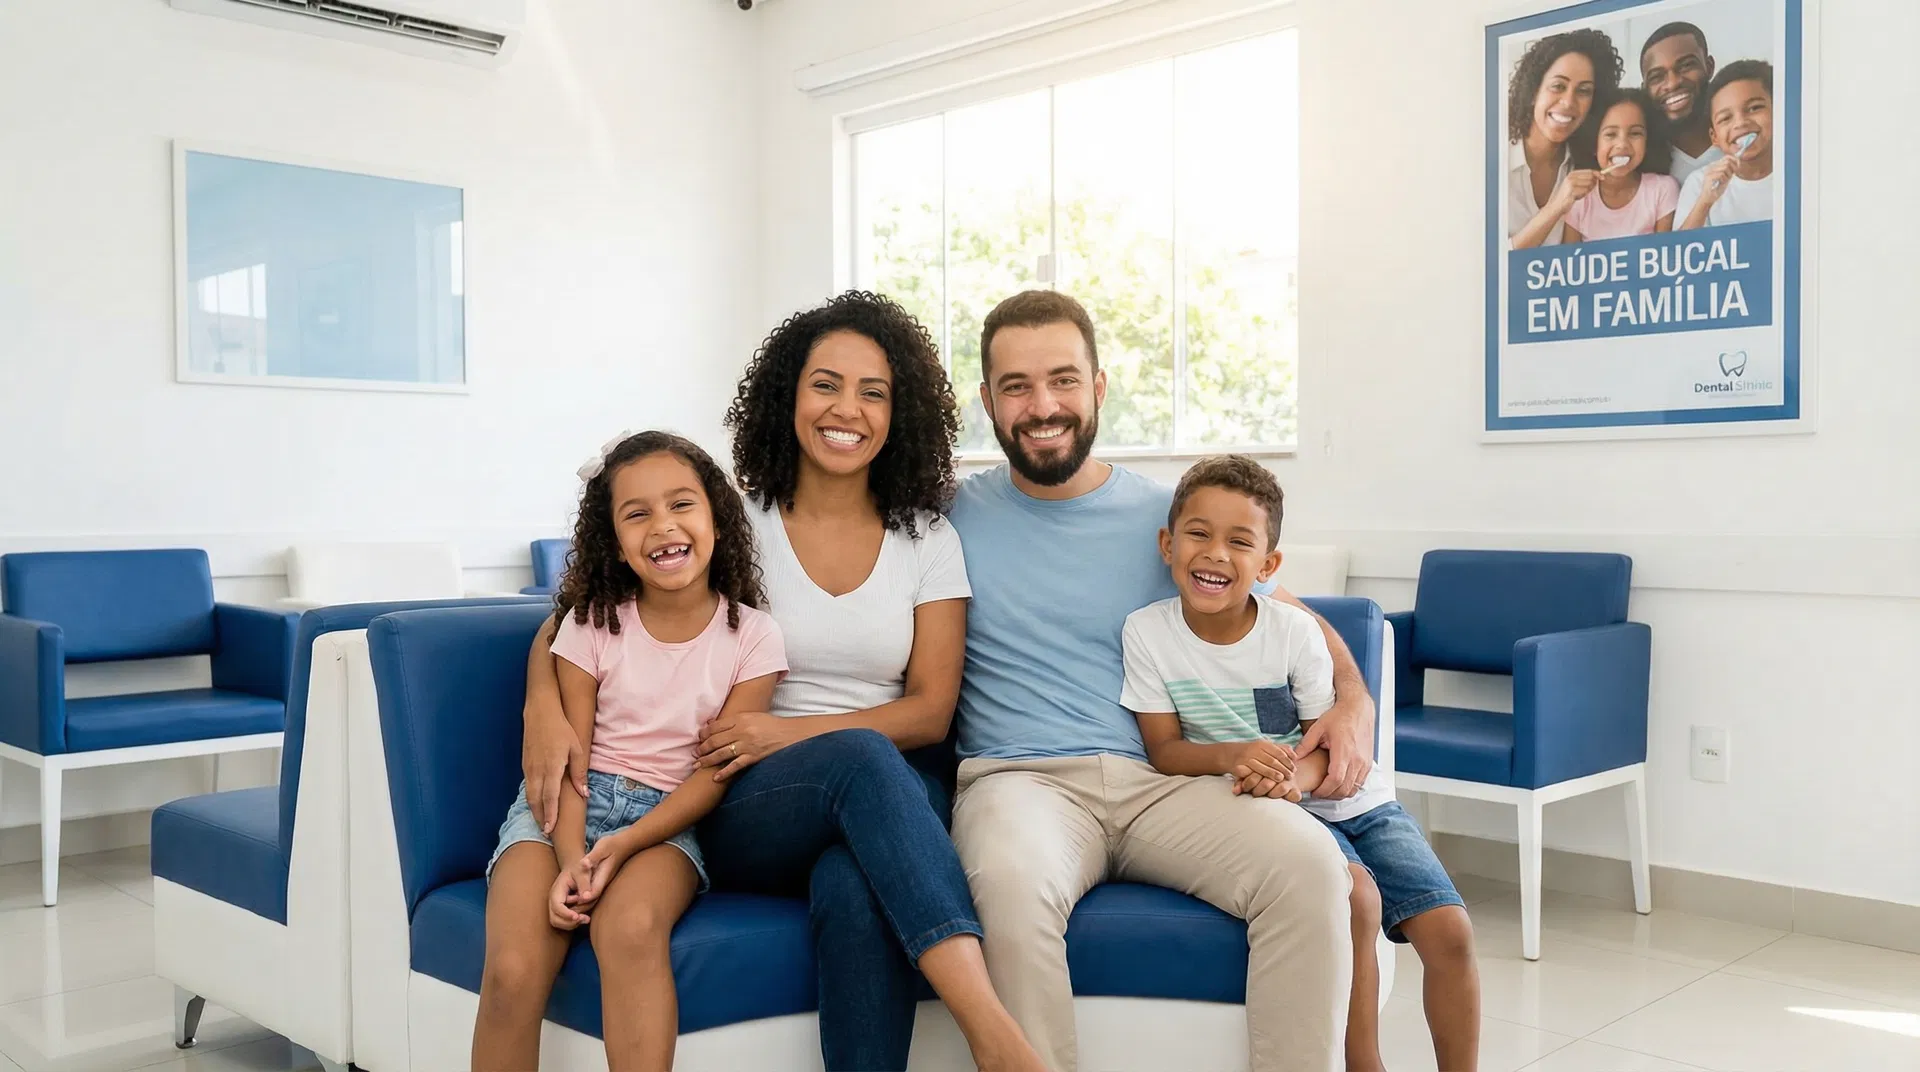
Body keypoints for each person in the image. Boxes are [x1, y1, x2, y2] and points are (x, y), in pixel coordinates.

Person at [518, 293, 1044, 1072]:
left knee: (854, 883)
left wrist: (792, 731)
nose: (848, 410)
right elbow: (575, 610)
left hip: (892, 785)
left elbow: (932, 712)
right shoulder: (737, 517)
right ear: (787, 396)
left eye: (874, 393)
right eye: (826, 384)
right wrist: (543, 707)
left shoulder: (927, 538)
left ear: (900, 414)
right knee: (861, 759)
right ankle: (994, 1037)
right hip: (749, 795)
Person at [948, 289, 1379, 1072]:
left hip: (1164, 779)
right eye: (1016, 386)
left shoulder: (1170, 519)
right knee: (1008, 889)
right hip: (1021, 783)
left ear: (1100, 387)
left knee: (1312, 869)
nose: (1043, 405)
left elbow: (1292, 615)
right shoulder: (950, 515)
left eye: (1063, 380)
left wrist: (1353, 701)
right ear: (986, 401)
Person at [1120, 456, 1479, 1072]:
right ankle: (1365, 1063)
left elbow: (1327, 746)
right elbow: (1165, 751)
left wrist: (1291, 779)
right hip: (1266, 811)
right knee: (1357, 901)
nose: (1215, 555)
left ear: (1268, 565)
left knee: (1450, 931)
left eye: (1240, 541)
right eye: (1198, 534)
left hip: (1346, 795)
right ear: (1167, 543)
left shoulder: (1293, 632)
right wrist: (1238, 760)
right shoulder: (1147, 632)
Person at [475, 431, 787, 1072]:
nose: (662, 527)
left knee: (631, 930)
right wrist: (571, 860)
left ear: (717, 520)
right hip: (558, 810)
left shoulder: (754, 637)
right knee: (512, 967)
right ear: (614, 541)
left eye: (681, 505)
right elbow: (567, 757)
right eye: (636, 513)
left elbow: (714, 774)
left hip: (667, 824)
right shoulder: (592, 622)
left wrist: (626, 842)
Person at [1508, 29, 1624, 249]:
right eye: (1558, 86)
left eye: (1583, 91)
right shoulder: (1492, 160)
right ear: (1534, 91)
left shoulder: (1589, 167)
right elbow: (1485, 266)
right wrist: (1557, 206)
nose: (1568, 102)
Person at [1561, 87, 1678, 242]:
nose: (1622, 144)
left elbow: (1665, 256)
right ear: (1593, 144)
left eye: (1635, 133)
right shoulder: (1579, 197)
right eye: (1610, 134)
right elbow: (1569, 261)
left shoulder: (1662, 190)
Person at [1676, 60, 1775, 230]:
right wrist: (1705, 202)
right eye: (1725, 119)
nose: (1740, 123)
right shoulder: (1699, 183)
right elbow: (1679, 252)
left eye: (1754, 108)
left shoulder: (1804, 173)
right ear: (1714, 137)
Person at [1639, 21, 1722, 186]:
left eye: (1686, 66)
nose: (1673, 83)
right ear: (1645, 89)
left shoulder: (1742, 138)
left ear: (1709, 66)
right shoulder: (1643, 163)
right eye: (1657, 76)